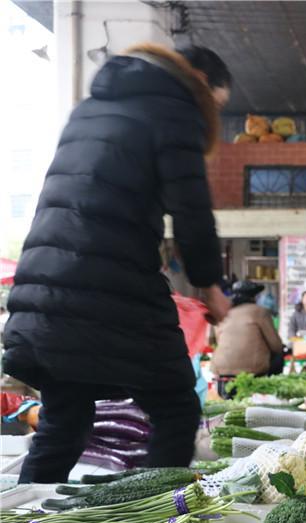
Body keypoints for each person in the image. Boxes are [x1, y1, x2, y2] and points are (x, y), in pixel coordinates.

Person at [2, 43, 233, 483]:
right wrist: (210, 284)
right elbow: (192, 211)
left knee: (63, 424)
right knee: (176, 409)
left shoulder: (91, 109)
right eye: (216, 107)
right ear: (201, 83)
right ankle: (157, 511)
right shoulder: (175, 107)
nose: (210, 118)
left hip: (43, 290)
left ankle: (21, 515)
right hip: (110, 289)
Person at [212, 281, 285, 397]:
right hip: (251, 373)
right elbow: (276, 346)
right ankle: (270, 392)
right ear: (253, 297)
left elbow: (217, 340)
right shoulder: (260, 312)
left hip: (221, 372)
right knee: (279, 356)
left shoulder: (224, 312)